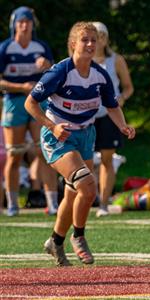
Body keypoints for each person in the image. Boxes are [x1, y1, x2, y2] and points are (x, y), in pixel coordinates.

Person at [24, 21, 135, 266]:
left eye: (93, 40)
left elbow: (112, 106)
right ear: (73, 44)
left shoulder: (100, 75)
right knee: (87, 185)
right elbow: (30, 103)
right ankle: (79, 236)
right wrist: (52, 126)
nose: (90, 44)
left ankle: (55, 241)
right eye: (84, 40)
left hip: (87, 135)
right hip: (59, 136)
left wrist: (123, 126)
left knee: (74, 193)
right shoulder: (59, 72)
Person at [0, 6, 58, 216]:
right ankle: (12, 204)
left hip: (37, 102)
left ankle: (52, 203)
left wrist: (47, 65)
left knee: (44, 152)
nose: (24, 25)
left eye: (28, 21)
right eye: (20, 21)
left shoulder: (40, 46)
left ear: (33, 25)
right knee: (14, 155)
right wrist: (21, 87)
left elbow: (55, 73)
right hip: (14, 103)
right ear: (14, 24)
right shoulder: (5, 48)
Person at [92, 21, 134, 217]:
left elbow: (127, 86)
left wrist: (122, 99)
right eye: (94, 36)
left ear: (106, 39)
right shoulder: (81, 60)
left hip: (110, 115)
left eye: (101, 35)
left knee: (107, 160)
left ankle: (102, 203)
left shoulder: (116, 60)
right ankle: (83, 199)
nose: (97, 40)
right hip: (86, 115)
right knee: (83, 159)